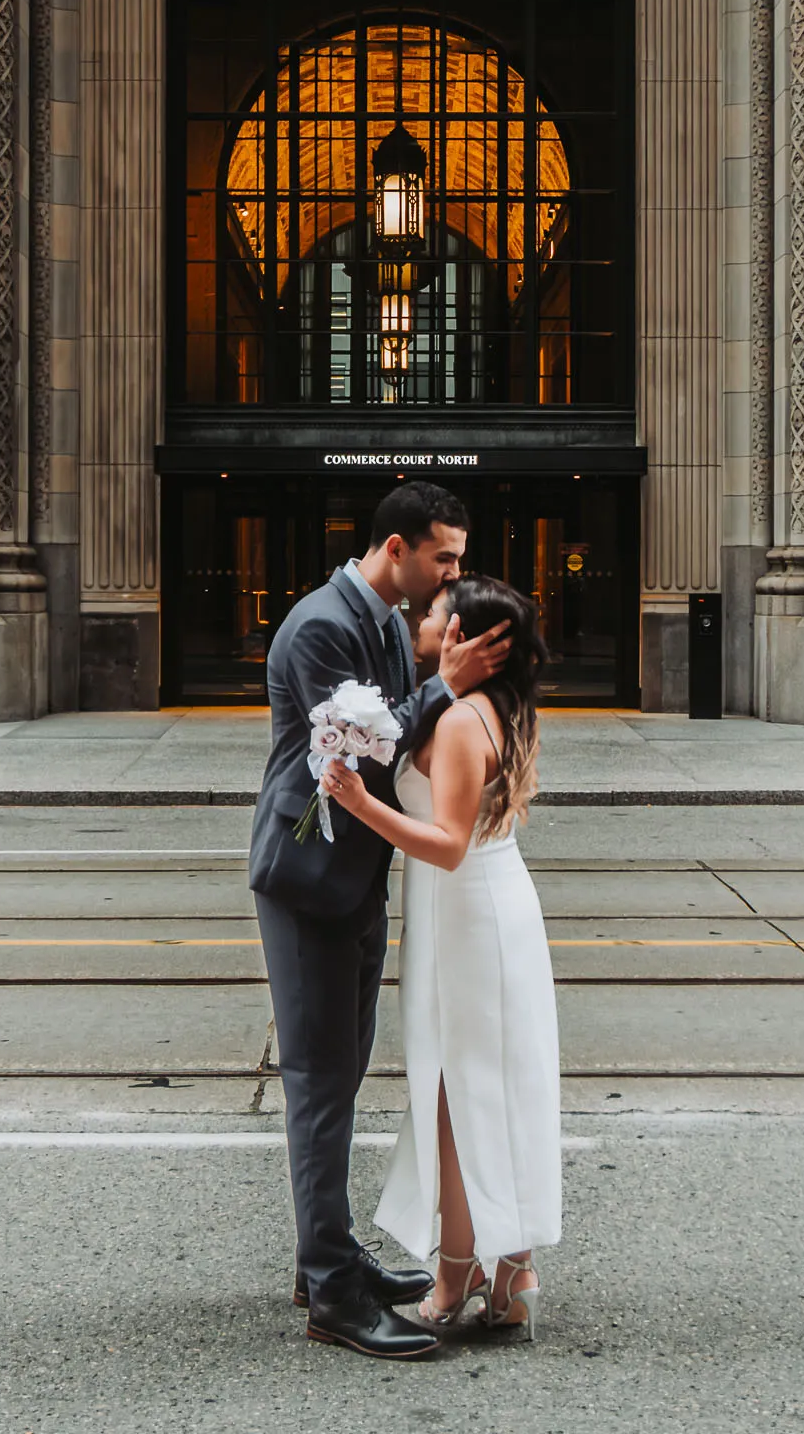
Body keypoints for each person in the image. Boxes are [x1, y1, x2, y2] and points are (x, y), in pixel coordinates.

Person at [248, 482, 511, 1360]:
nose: (451, 575)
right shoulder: (323, 624)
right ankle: (331, 1294)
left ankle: (326, 1257)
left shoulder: (387, 624)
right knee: (321, 1084)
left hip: (354, 880)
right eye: (443, 557)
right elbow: (359, 747)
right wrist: (443, 687)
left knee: (343, 1073)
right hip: (309, 879)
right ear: (395, 549)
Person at [322, 574, 561, 1341]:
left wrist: (364, 806)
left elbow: (450, 847)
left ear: (462, 635)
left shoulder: (461, 723)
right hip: (468, 913)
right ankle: (504, 1269)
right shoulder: (484, 707)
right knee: (471, 1091)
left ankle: (467, 1269)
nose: (422, 617)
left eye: (434, 612)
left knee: (462, 1095)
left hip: (470, 914)